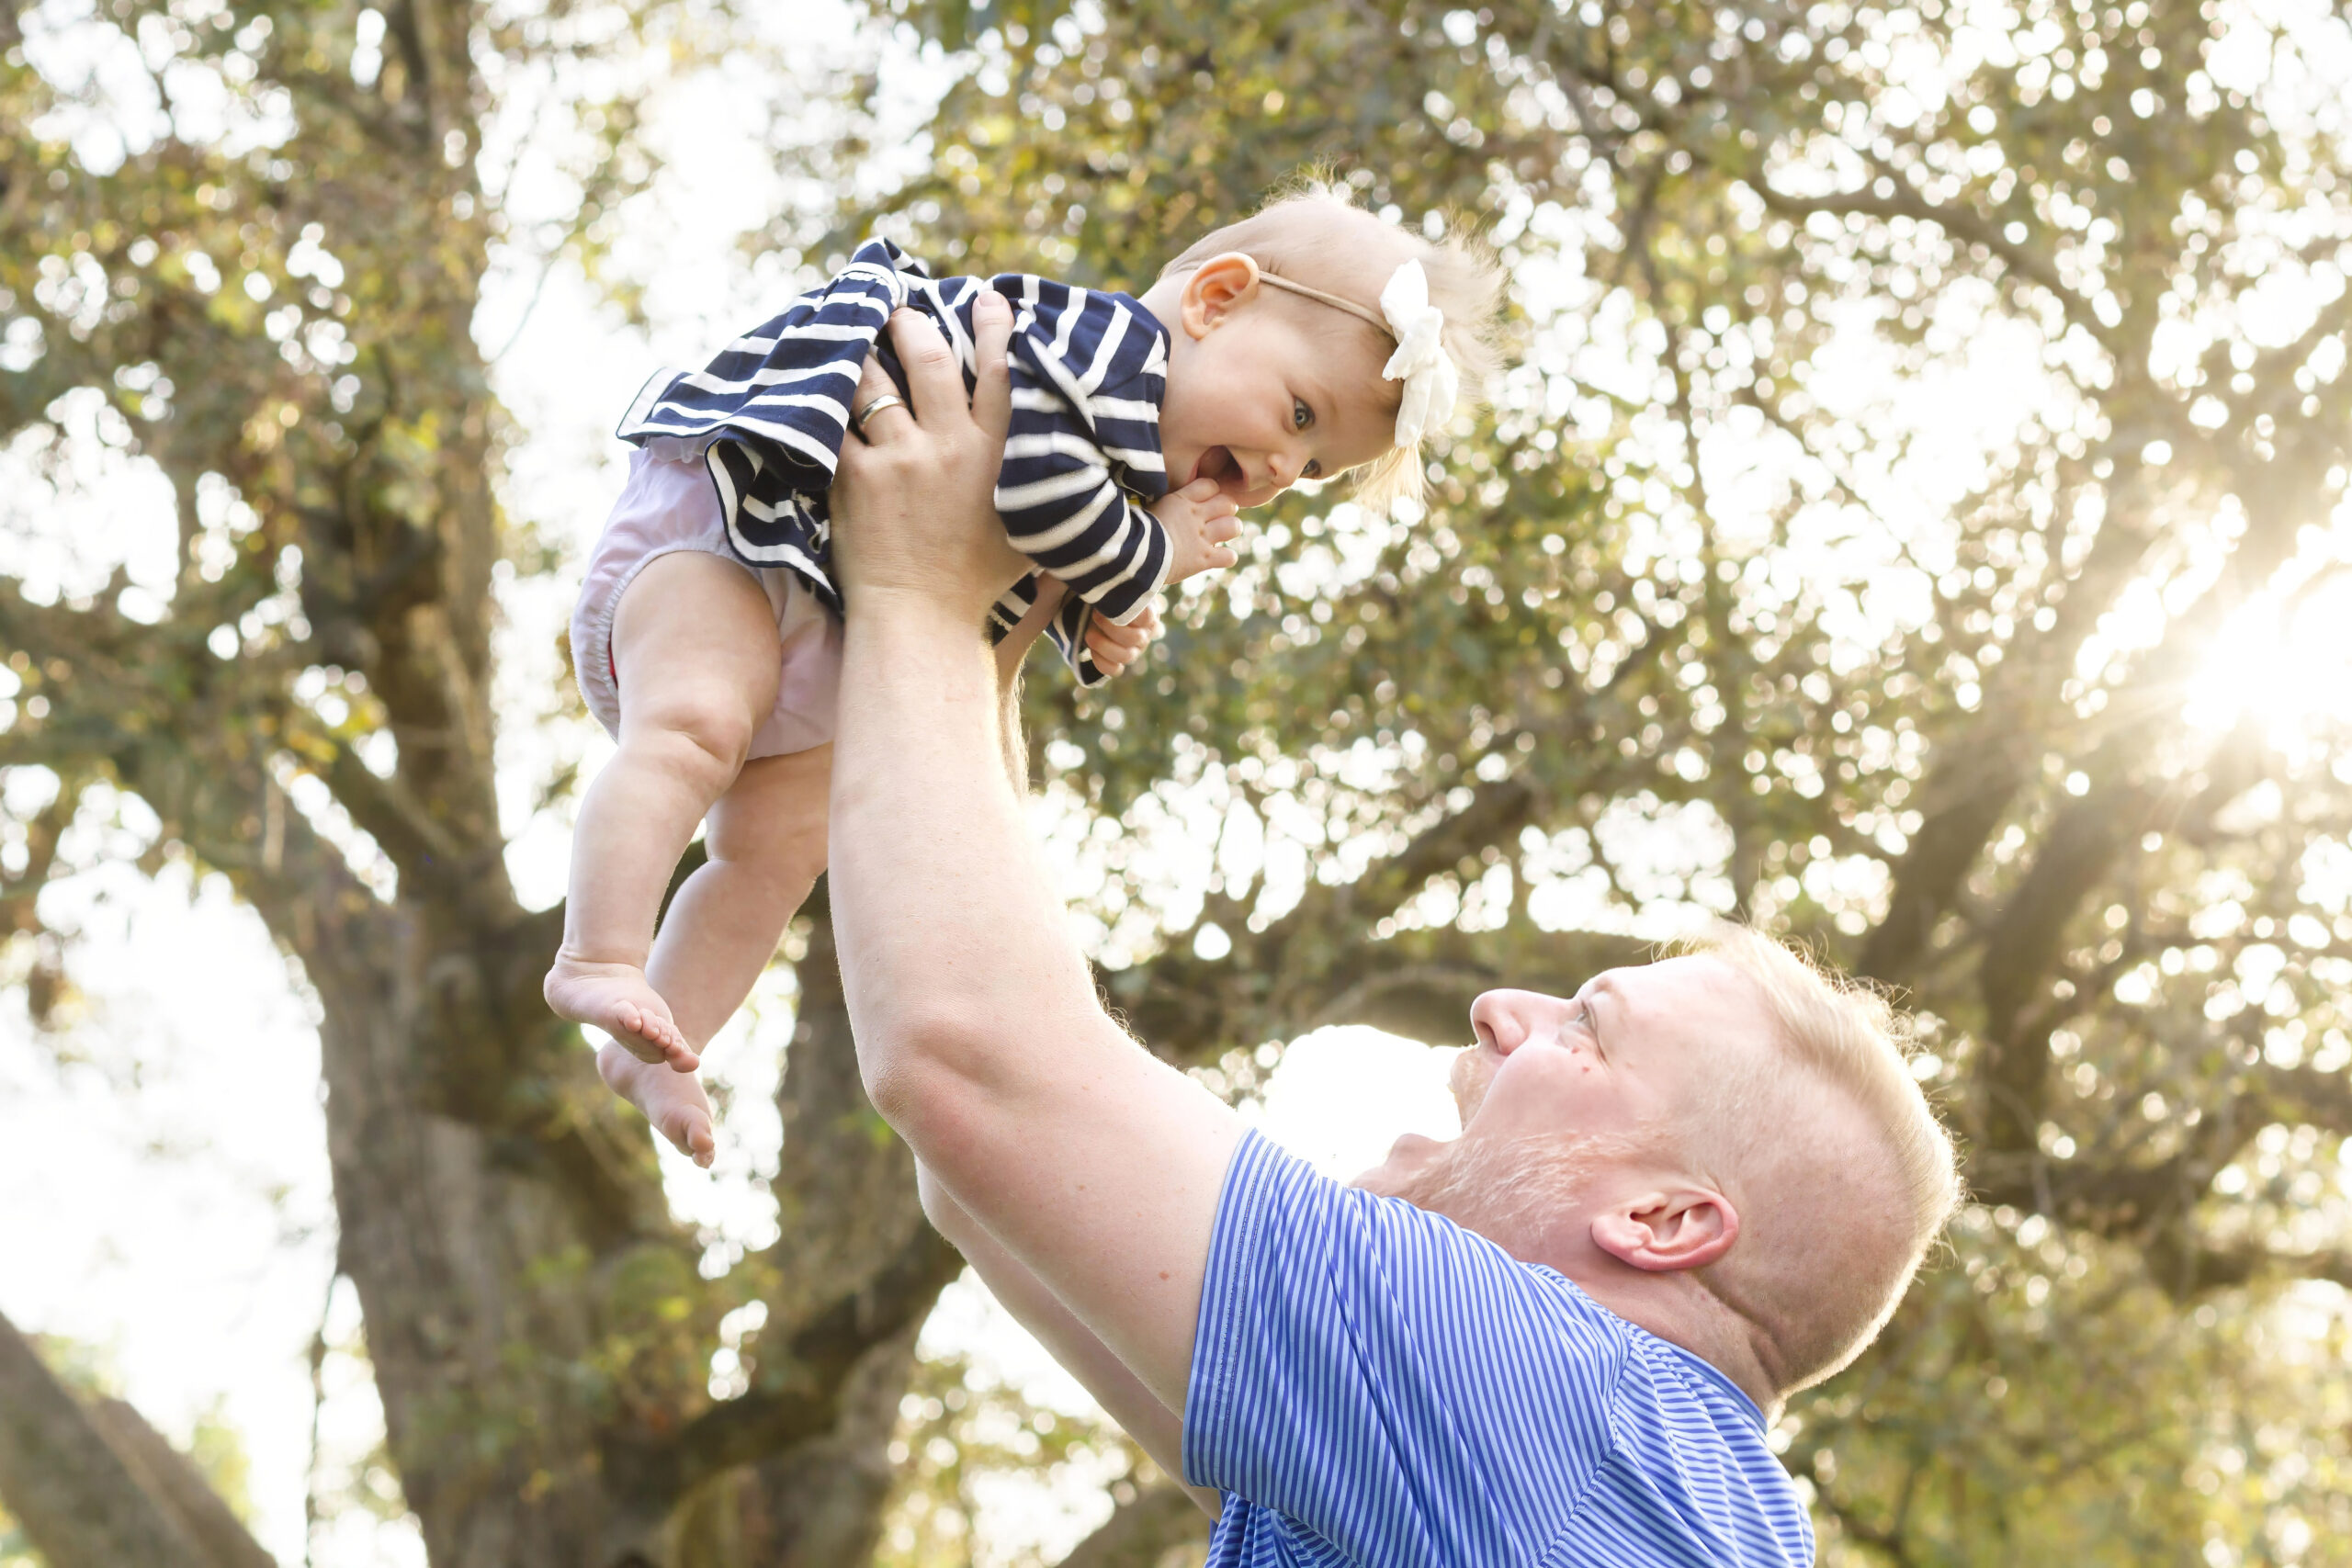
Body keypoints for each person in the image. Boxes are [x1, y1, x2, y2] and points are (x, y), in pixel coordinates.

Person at [820, 299, 1962, 1564]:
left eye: (1588, 1026)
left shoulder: (1558, 1394)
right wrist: (997, 644)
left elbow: (969, 1062)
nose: (1499, 1009)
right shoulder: (1633, 1486)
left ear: (1663, 1223)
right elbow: (992, 1179)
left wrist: (919, 585)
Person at [546, 191, 1506, 1165]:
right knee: (695, 726)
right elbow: (1034, 488)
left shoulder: (1132, 461)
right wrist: (1147, 555)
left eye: (1309, 466)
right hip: (731, 536)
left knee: (776, 853)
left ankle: (663, 1043)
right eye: (1299, 414)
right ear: (1215, 300)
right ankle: (597, 955)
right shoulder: (1095, 346)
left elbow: (1001, 551)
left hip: (821, 616)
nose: (1278, 465)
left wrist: (1096, 620)